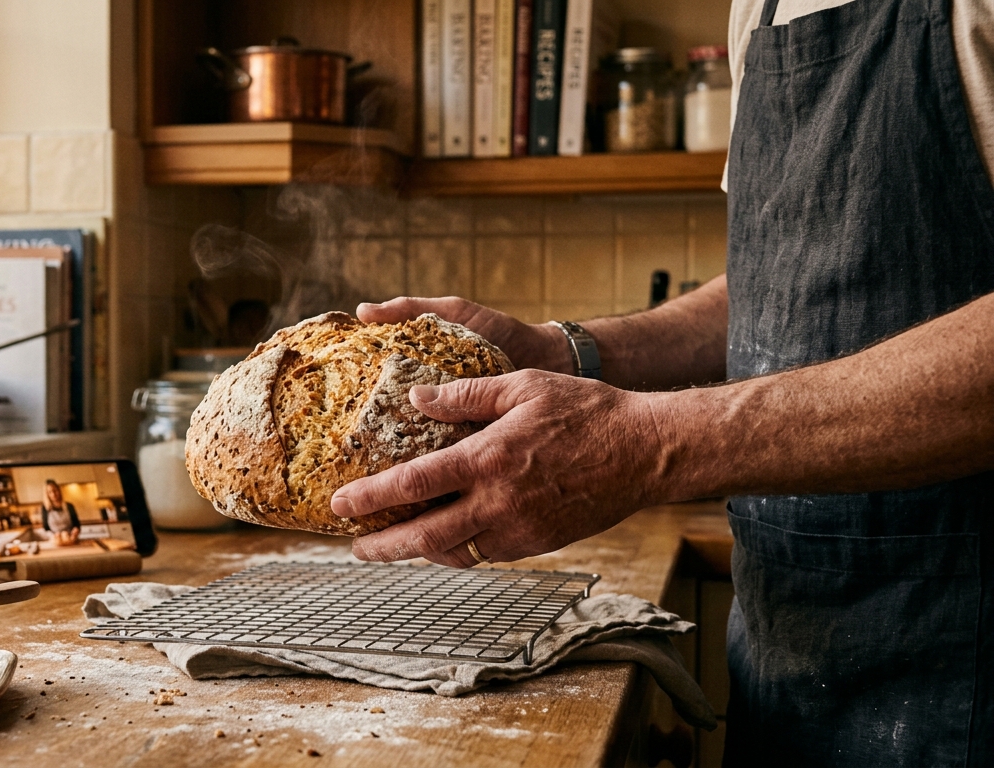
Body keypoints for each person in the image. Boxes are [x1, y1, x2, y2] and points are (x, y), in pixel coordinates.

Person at [330, 0, 994, 763]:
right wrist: (564, 351)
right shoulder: (761, 8)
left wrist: (650, 444)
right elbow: (787, 286)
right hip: (795, 645)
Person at [40, 480, 81, 546]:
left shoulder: (69, 506)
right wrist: (54, 535)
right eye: (49, 492)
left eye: (55, 490)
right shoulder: (45, 508)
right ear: (47, 494)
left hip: (71, 540)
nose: (53, 494)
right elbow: (46, 528)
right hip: (55, 541)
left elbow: (77, 524)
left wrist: (76, 530)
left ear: (59, 490)